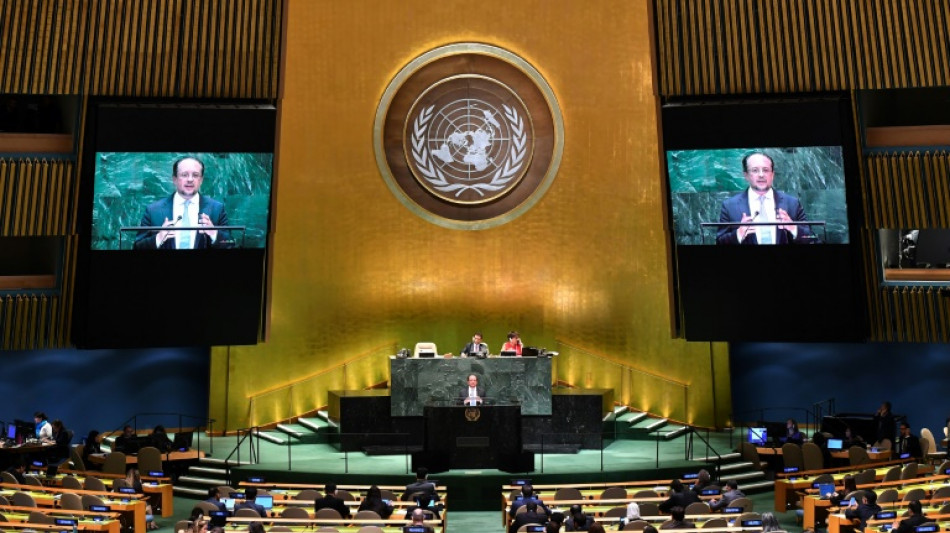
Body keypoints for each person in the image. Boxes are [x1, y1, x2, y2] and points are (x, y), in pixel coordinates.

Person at [134, 156, 232, 250]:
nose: (190, 179)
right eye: (184, 175)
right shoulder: (153, 211)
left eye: (195, 175)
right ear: (174, 179)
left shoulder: (217, 209)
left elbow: (230, 244)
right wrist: (159, 237)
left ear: (201, 180)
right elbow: (137, 247)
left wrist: (214, 233)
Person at [716, 152, 813, 245]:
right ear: (746, 175)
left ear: (772, 174)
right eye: (755, 170)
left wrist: (793, 228)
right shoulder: (729, 206)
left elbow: (811, 239)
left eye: (766, 170)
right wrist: (738, 234)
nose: (761, 175)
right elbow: (719, 242)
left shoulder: (792, 203)